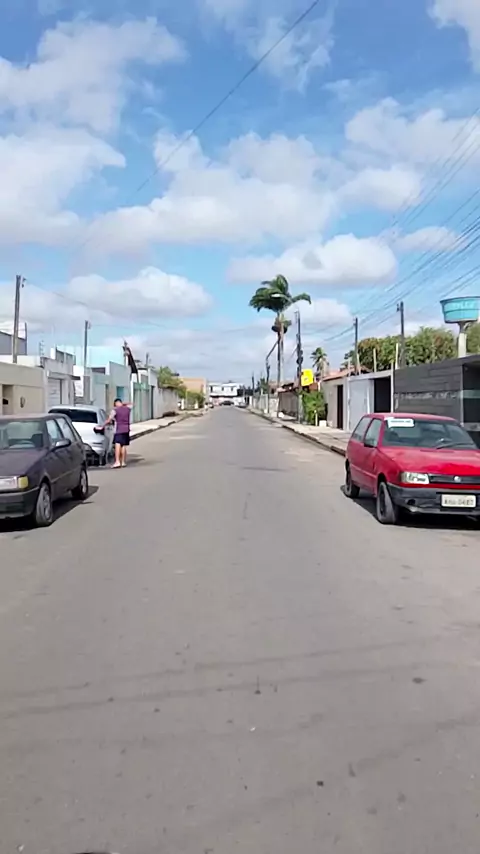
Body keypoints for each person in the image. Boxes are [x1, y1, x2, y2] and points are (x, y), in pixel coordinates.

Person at [105, 399, 132, 468]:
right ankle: (123, 462)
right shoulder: (128, 409)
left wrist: (104, 424)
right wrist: (123, 404)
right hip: (126, 429)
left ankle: (117, 461)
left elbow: (109, 419)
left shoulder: (115, 410)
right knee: (123, 446)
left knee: (118, 445)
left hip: (118, 430)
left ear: (116, 403)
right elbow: (131, 404)